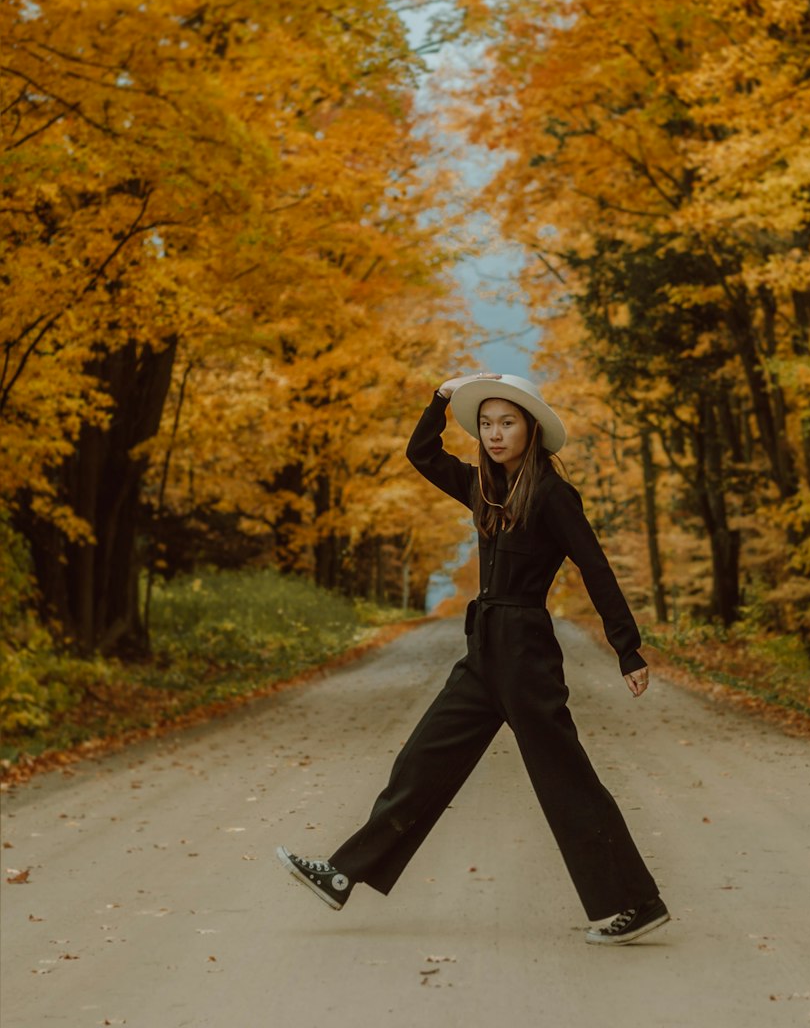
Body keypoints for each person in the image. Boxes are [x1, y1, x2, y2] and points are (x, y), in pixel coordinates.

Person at [276, 372, 670, 945]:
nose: (494, 433)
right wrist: (440, 399)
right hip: (483, 647)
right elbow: (420, 451)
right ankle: (342, 875)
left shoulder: (554, 495)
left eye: (506, 422)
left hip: (526, 653)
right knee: (421, 762)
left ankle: (637, 902)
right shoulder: (481, 487)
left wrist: (626, 646)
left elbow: (595, 566)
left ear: (529, 428)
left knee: (566, 781)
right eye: (485, 423)